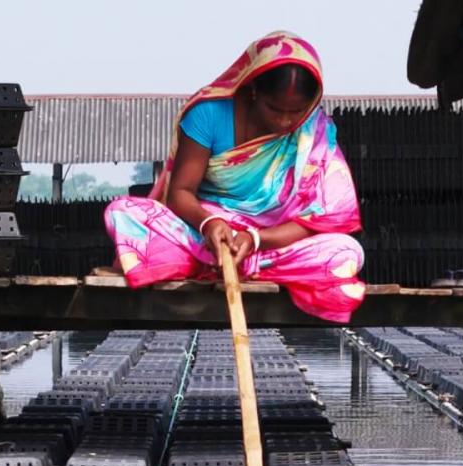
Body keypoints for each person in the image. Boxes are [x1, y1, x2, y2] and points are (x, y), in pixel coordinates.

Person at [103, 31, 366, 323]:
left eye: (296, 112)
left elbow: (318, 219)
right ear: (253, 88)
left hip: (268, 243)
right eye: (275, 109)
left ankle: (225, 264)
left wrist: (254, 239)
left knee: (346, 251)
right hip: (206, 235)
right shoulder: (208, 114)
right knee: (123, 213)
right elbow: (181, 192)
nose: (284, 121)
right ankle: (216, 259)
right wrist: (208, 224)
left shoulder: (312, 135)